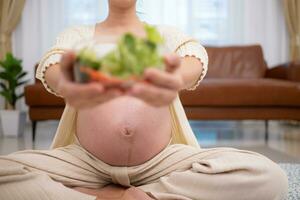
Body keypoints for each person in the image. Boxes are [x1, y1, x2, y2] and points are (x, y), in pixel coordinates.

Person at [0, 0, 288, 199]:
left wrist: (174, 77)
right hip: (84, 161)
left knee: (270, 178)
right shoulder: (78, 34)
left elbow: (195, 57)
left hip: (161, 162)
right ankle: (108, 196)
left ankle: (147, 192)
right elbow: (51, 64)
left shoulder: (164, 35)